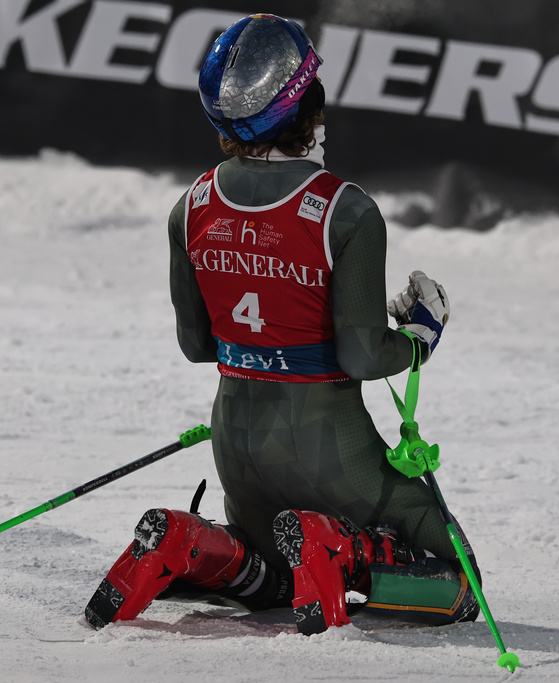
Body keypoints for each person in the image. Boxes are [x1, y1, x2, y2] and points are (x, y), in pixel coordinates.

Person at [85, 13, 478, 635]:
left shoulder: (191, 205)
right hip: (330, 452)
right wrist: (419, 338)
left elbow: (196, 345)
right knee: (458, 584)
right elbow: (361, 357)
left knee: (268, 574)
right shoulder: (346, 210)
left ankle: (187, 544)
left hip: (238, 445)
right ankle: (343, 553)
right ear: (307, 110)